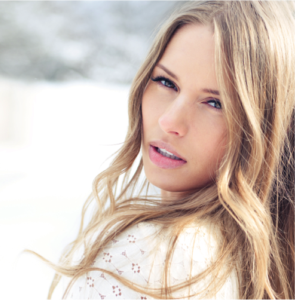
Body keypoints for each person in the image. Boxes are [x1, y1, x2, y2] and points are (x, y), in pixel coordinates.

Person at [43, 0, 295, 299]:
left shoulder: (158, 253)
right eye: (166, 82)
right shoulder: (250, 257)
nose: (170, 121)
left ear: (263, 128)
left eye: (216, 103)